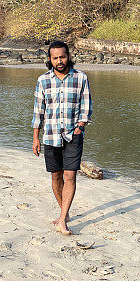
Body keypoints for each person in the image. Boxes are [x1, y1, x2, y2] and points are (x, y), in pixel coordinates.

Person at [32, 40, 92, 234]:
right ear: (49, 59)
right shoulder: (43, 80)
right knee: (56, 176)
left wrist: (80, 126)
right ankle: (63, 212)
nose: (60, 60)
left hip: (73, 134)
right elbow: (38, 111)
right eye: (55, 57)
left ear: (68, 56)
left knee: (70, 174)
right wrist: (36, 137)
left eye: (63, 56)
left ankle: (63, 219)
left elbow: (86, 106)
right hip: (50, 135)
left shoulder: (81, 78)